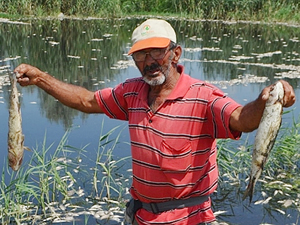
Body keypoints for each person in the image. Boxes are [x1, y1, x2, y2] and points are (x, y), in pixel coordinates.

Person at [14, 19, 295, 225]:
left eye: (156, 52)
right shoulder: (131, 91)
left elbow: (240, 119)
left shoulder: (203, 97)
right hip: (140, 215)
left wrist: (264, 101)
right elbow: (87, 101)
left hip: (188, 218)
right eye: (140, 54)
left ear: (175, 53)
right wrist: (40, 79)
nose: (149, 61)